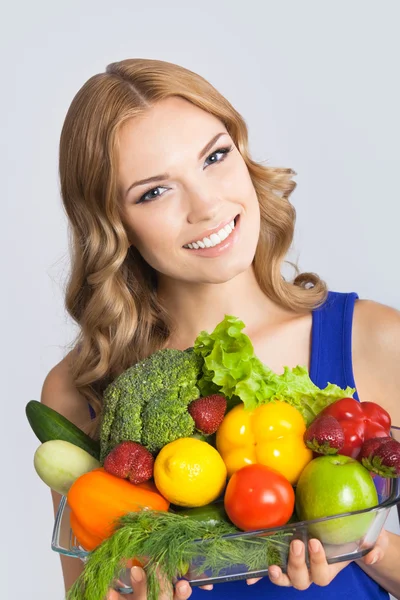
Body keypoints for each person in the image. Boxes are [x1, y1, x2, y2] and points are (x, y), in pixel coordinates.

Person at [41, 58, 400, 600]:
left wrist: (368, 547)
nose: (207, 205)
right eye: (154, 192)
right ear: (113, 226)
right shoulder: (78, 393)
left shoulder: (372, 340)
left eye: (214, 156)